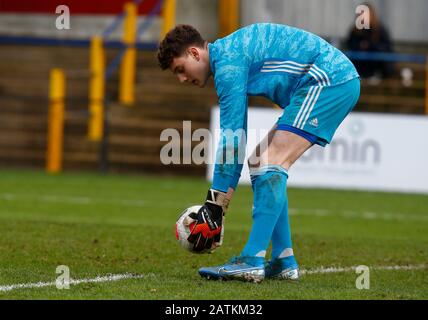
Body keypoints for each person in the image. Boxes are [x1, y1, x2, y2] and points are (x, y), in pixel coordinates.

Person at [157, 23, 360, 282]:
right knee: (259, 161)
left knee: (269, 162)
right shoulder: (227, 56)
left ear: (195, 54)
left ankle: (252, 259)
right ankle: (284, 259)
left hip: (328, 80)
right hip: (323, 80)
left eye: (180, 70)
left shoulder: (228, 65)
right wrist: (217, 204)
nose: (182, 79)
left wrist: (214, 206)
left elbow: (232, 139)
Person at [346, 3, 394, 81]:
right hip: (360, 64)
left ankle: (376, 75)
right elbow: (350, 45)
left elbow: (387, 47)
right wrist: (360, 46)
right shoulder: (355, 30)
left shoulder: (379, 29)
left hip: (375, 64)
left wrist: (370, 46)